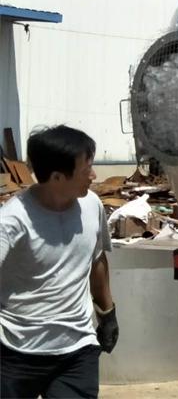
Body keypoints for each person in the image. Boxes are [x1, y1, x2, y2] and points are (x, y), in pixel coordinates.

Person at [1, 125, 119, 398]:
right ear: (57, 177)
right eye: (86, 169)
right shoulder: (12, 221)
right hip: (16, 353)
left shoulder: (92, 205)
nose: (94, 175)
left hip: (77, 351)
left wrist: (107, 314)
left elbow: (97, 259)